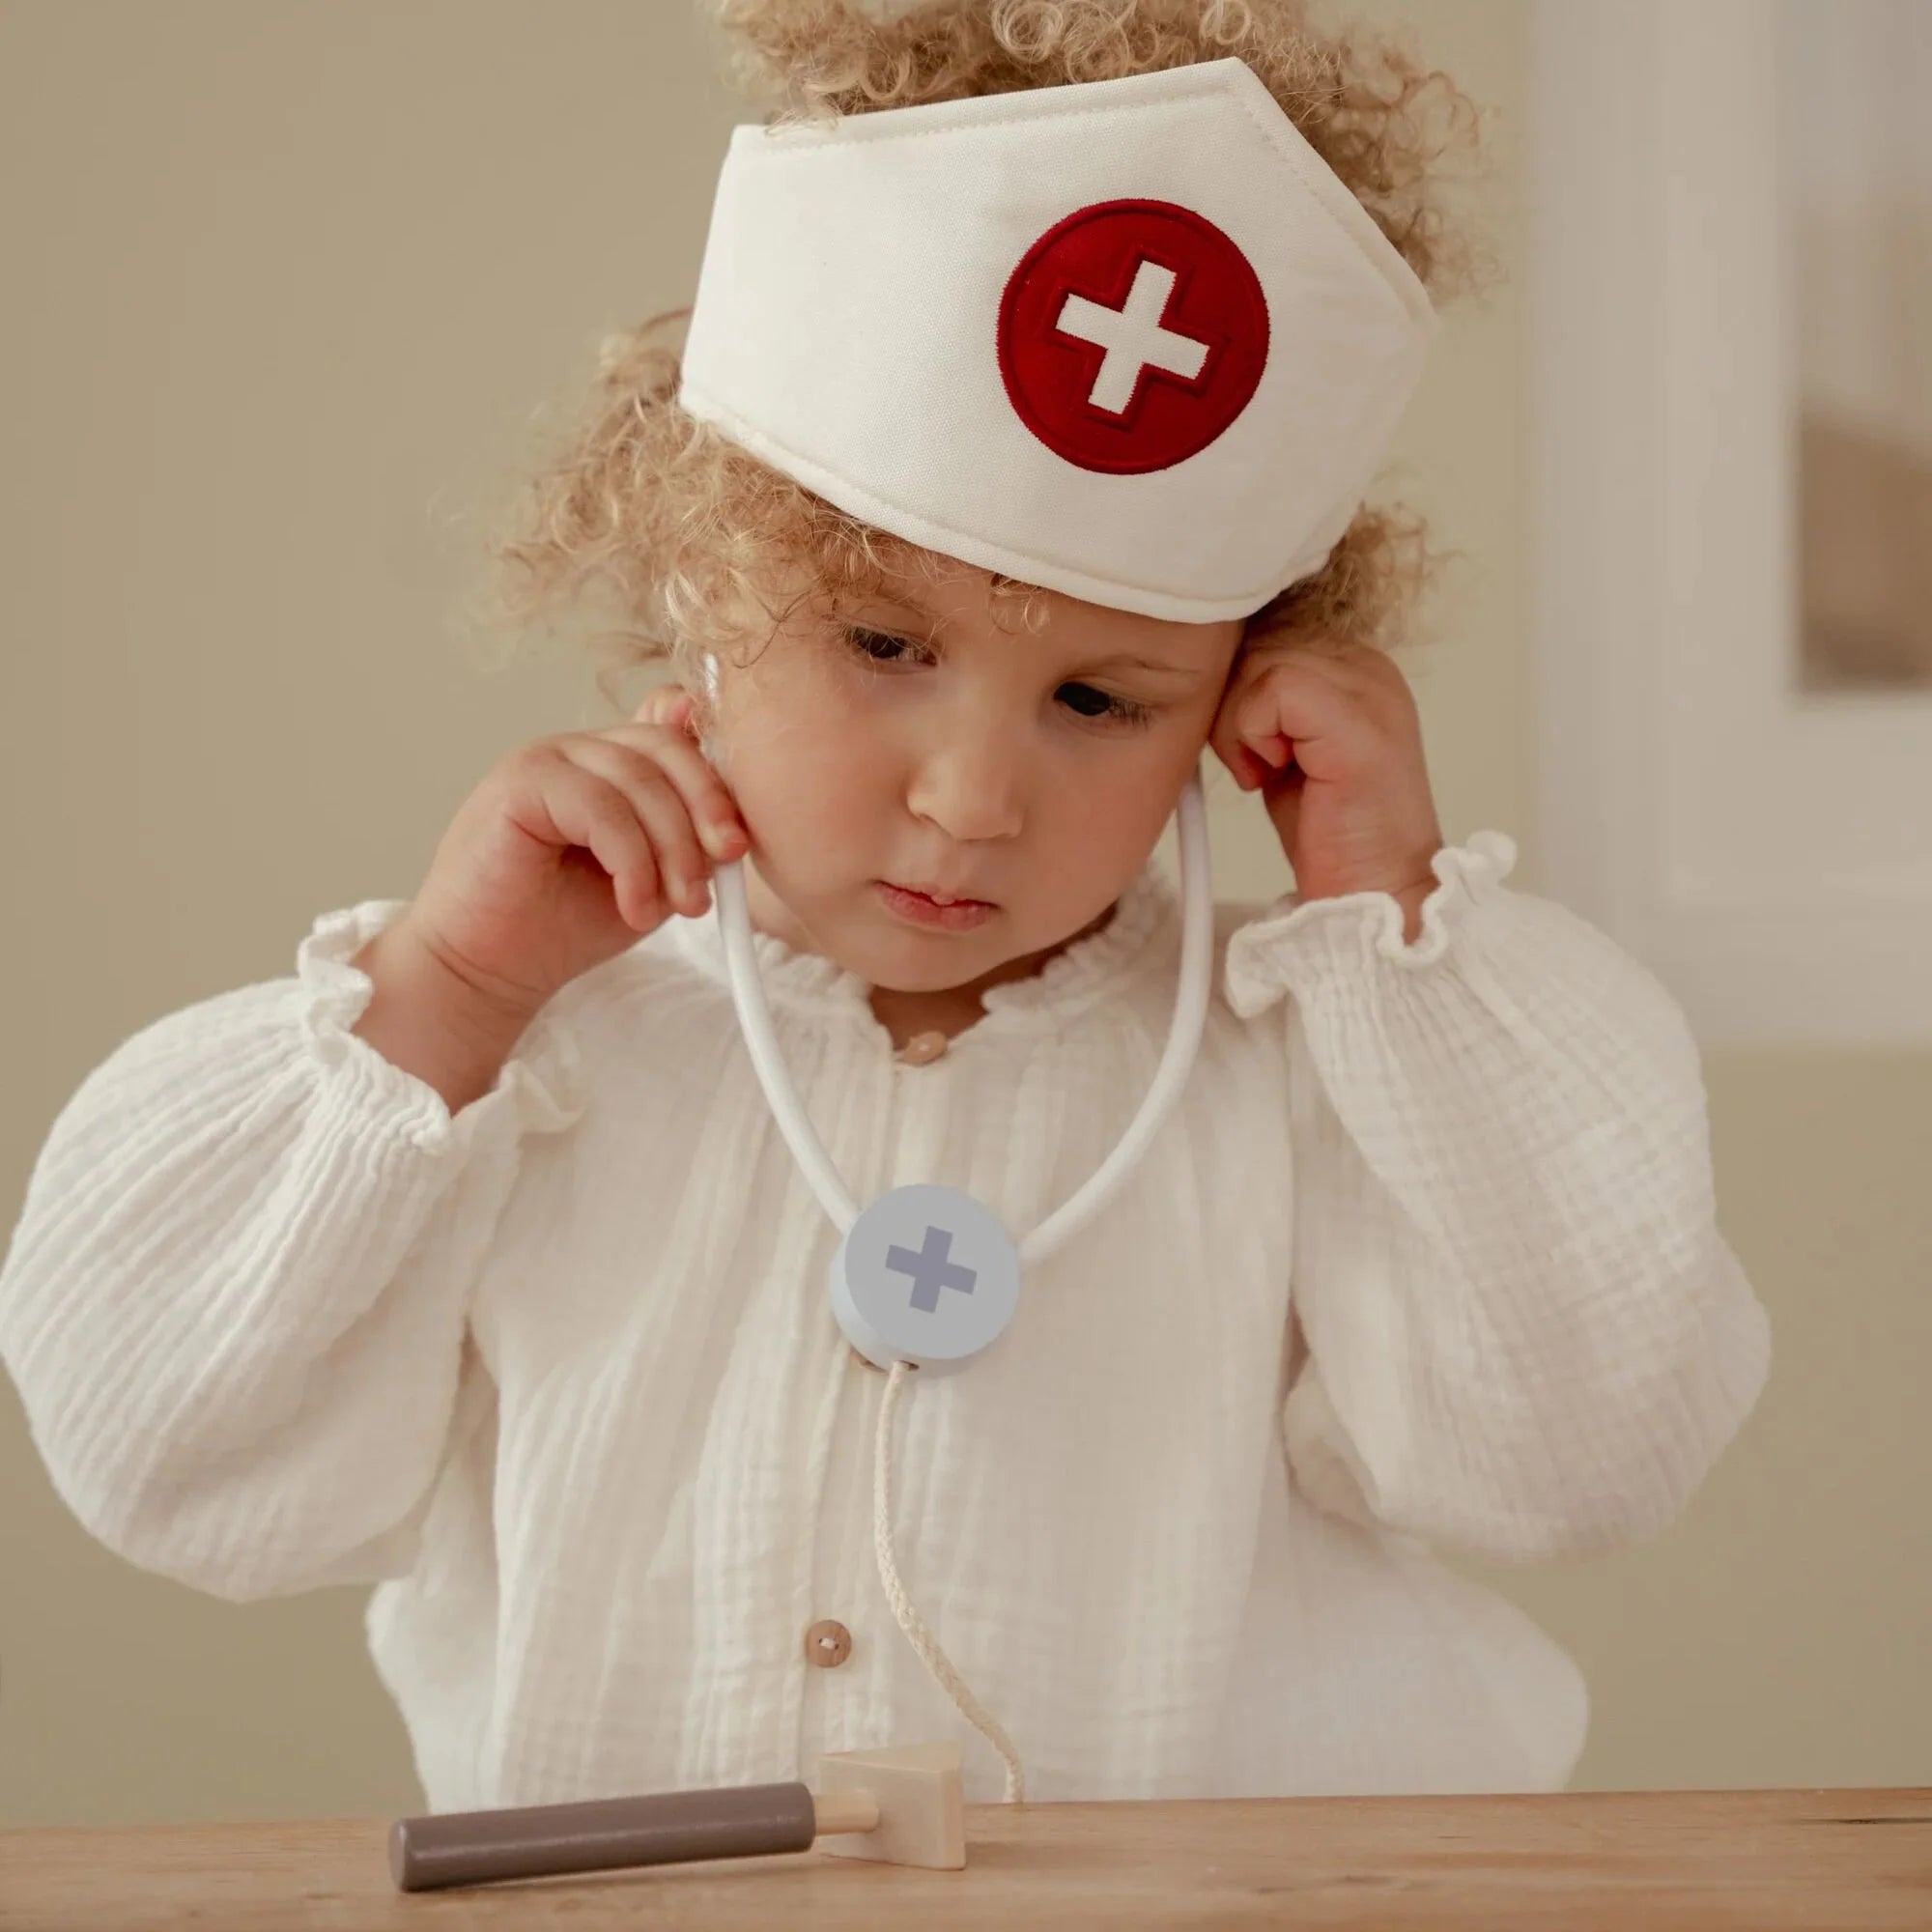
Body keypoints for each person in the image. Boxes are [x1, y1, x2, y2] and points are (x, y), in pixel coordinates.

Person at [0, 0, 1771, 1815]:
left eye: (1102, 700)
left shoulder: (1306, 1070)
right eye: (880, 644)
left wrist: (1389, 923)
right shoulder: (518, 1056)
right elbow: (154, 1455)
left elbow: (1579, 1465)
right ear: (698, 580)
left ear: (1246, 697)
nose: (973, 799)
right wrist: (443, 994)